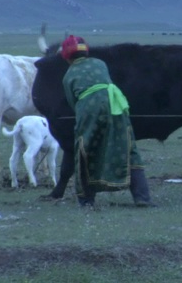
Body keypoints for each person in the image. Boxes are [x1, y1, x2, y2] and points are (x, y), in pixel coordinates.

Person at [60, 35, 154, 208]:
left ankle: (87, 200)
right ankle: (142, 198)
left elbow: (74, 102)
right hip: (115, 104)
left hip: (89, 107)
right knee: (127, 147)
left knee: (84, 148)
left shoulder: (69, 75)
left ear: (66, 56)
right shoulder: (99, 63)